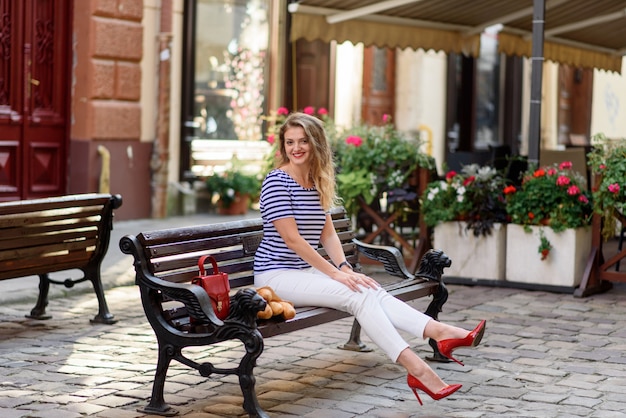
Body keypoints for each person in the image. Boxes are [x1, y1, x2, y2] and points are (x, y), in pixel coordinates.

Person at [253, 112, 486, 405]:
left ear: (316, 144)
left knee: (368, 287)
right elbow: (293, 240)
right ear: (283, 147)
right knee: (357, 297)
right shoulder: (277, 182)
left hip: (303, 271)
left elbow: (327, 235)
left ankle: (440, 332)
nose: (296, 148)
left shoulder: (315, 182)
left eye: (303, 141)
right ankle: (417, 368)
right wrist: (336, 275)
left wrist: (344, 266)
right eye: (290, 142)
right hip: (276, 276)